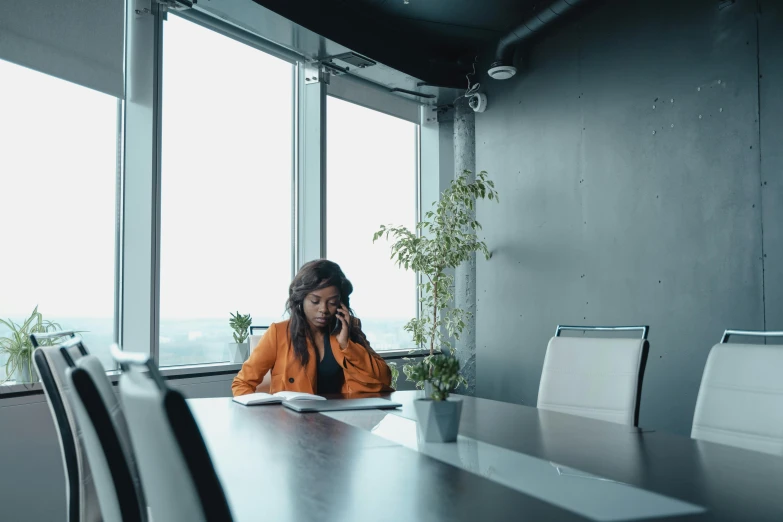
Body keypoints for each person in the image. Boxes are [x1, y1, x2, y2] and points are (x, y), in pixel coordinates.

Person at [232, 259, 393, 396]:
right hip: (293, 424)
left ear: (341, 303)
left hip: (345, 421)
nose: (323, 309)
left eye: (332, 302)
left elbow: (383, 378)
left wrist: (346, 345)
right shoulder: (278, 333)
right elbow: (242, 383)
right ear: (301, 299)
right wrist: (266, 419)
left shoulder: (350, 328)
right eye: (315, 301)